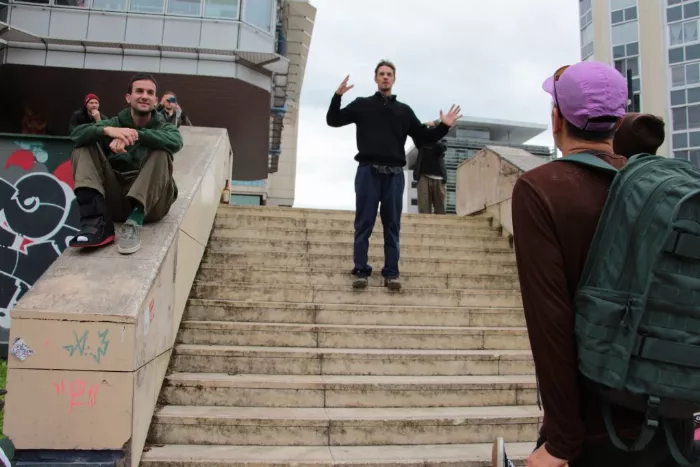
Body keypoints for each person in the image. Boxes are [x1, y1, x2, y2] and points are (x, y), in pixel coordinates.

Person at [491, 60, 697, 467]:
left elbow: (550, 321)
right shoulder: (660, 187)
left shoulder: (542, 188)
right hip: (672, 423)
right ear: (618, 120)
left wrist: (560, 443)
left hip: (596, 431)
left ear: (556, 119)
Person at [326, 60, 462, 290]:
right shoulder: (362, 105)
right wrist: (337, 96)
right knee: (364, 223)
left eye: (389, 74)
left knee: (392, 225)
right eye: (382, 74)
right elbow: (333, 120)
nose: (385, 77)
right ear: (375, 78)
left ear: (394, 79)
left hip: (394, 176)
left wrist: (443, 127)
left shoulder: (404, 111)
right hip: (368, 172)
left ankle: (391, 273)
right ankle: (360, 270)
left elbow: (422, 138)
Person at [69, 73, 182, 255]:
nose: (144, 95)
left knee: (163, 150)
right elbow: (76, 135)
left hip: (152, 205)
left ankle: (135, 221)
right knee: (83, 146)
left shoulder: (163, 126)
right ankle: (95, 223)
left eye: (149, 92)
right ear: (129, 97)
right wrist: (107, 131)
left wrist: (135, 135)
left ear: (155, 100)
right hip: (116, 198)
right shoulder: (114, 123)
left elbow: (176, 142)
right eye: (139, 91)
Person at [413, 119, 448, 214]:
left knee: (440, 208)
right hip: (423, 176)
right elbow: (415, 133)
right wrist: (424, 125)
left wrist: (435, 128)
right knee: (424, 208)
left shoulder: (442, 140)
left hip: (439, 177)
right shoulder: (421, 141)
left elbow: (442, 148)